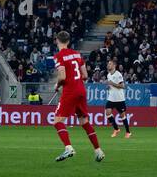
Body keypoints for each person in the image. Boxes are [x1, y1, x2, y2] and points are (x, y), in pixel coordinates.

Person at [50, 31, 103, 163]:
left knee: (57, 121)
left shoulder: (58, 56)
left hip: (70, 91)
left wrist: (57, 84)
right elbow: (85, 75)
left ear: (57, 40)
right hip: (81, 90)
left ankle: (68, 148)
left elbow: (62, 76)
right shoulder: (77, 54)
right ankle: (98, 151)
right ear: (68, 41)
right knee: (84, 122)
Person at [104, 59, 131, 138]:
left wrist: (112, 83)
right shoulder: (108, 75)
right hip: (111, 98)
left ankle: (128, 132)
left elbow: (122, 86)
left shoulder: (118, 74)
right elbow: (111, 85)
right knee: (107, 112)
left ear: (114, 65)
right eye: (108, 64)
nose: (108, 65)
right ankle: (116, 129)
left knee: (122, 116)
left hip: (119, 99)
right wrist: (108, 87)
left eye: (110, 64)